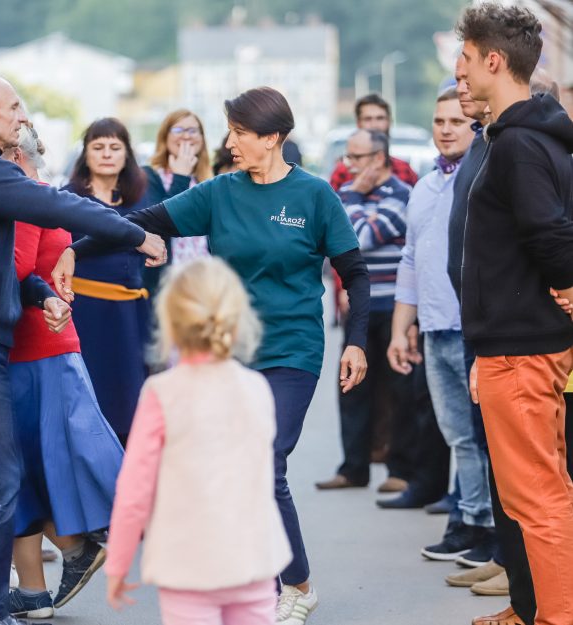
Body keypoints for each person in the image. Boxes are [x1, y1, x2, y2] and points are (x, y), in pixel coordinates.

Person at [57, 86, 371, 625]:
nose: (229, 143)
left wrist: (359, 341)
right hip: (232, 351)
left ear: (272, 138)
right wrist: (71, 251)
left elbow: (355, 274)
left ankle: (296, 585)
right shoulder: (221, 193)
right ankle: (263, 586)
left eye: (240, 134)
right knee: (241, 463)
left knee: (266, 461)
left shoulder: (315, 196)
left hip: (293, 348)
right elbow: (141, 222)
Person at [0, 75, 165, 625]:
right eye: (13, 108)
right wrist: (133, 234)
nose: (21, 116)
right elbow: (55, 204)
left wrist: (37, 294)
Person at [457, 4, 573, 625]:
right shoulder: (526, 138)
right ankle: (535, 610)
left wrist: (570, 286)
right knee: (537, 495)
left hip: (522, 349)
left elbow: (552, 234)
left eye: (466, 60)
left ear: (493, 61)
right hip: (515, 343)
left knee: (539, 500)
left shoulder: (520, 145)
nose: (459, 73)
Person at [105, 256, 291, 625]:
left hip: (187, 561)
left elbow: (135, 489)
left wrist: (118, 562)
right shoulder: (256, 388)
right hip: (253, 556)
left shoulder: (161, 393)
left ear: (171, 325)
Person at [3, 125, 122, 617]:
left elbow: (15, 269)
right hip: (39, 348)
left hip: (35, 351)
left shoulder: (28, 199)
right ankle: (42, 582)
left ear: (13, 156)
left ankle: (76, 550)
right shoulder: (40, 197)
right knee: (22, 472)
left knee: (20, 469)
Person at [386, 88, 494, 566]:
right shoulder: (425, 186)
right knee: (459, 438)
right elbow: (411, 259)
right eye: (439, 121)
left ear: (475, 127)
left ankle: (487, 529)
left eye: (457, 121)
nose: (447, 129)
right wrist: (400, 328)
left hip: (475, 330)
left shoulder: (483, 180)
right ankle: (468, 522)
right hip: (434, 329)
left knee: (484, 438)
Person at [316, 129, 414, 493]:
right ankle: (352, 468)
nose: (349, 165)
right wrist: (354, 198)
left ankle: (399, 469)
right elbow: (335, 241)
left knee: (399, 389)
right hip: (358, 306)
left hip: (394, 305)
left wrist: (354, 198)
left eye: (356, 158)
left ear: (378, 158)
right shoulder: (342, 195)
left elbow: (361, 237)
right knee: (351, 387)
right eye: (348, 158)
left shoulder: (402, 196)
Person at [64, 118, 153, 445]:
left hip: (131, 317)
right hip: (87, 313)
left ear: (127, 154)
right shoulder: (68, 198)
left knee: (133, 405)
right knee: (93, 402)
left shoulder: (140, 198)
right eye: (98, 147)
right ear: (85, 153)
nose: (106, 154)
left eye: (115, 148)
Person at [141, 110, 213, 295]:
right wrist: (180, 177)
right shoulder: (148, 176)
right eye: (178, 129)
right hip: (166, 283)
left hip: (203, 280)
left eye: (193, 131)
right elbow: (157, 225)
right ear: (165, 136)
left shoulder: (209, 181)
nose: (186, 136)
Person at [328, 94, 419, 191]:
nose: (374, 125)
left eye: (380, 118)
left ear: (389, 122)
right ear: (358, 124)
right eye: (368, 119)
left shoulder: (403, 170)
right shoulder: (343, 172)